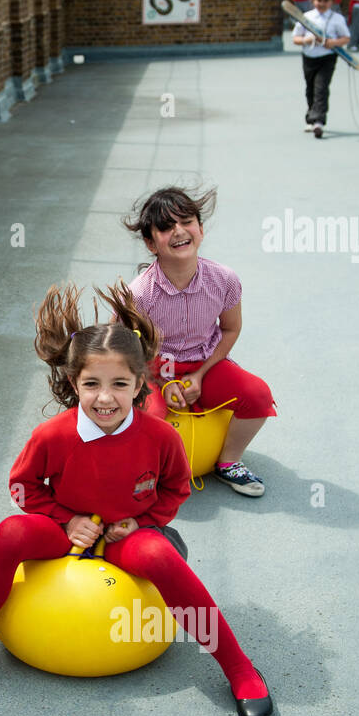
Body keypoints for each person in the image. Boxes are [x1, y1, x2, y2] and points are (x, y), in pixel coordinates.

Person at [0, 283, 273, 716]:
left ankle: (240, 669)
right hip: (66, 530)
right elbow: (22, 487)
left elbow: (175, 488)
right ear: (75, 383)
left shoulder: (160, 436)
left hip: (126, 536)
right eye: (91, 384)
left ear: (140, 385)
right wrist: (67, 520)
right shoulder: (52, 434)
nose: (105, 397)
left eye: (119, 384)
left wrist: (142, 522)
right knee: (9, 533)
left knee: (158, 554)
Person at [123, 185, 277, 495]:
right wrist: (161, 383)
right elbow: (123, 350)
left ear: (201, 229)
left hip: (204, 363)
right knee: (149, 417)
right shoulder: (139, 293)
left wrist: (200, 375)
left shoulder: (224, 280)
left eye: (187, 221)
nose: (179, 231)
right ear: (151, 243)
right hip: (152, 368)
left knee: (258, 396)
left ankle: (228, 462)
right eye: (166, 227)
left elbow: (230, 329)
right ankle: (149, 473)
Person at [290, 0, 351, 138]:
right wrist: (305, 39)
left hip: (327, 58)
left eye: (326, 0)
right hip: (309, 58)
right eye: (318, 0)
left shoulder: (337, 19)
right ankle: (311, 117)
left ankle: (319, 121)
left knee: (321, 87)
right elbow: (295, 39)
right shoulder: (306, 18)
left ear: (332, 1)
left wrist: (334, 43)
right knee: (310, 89)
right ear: (312, 0)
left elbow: (346, 38)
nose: (322, 3)